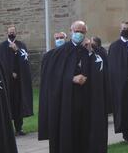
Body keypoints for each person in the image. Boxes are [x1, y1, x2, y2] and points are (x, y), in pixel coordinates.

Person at [38, 20, 108, 152]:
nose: (79, 34)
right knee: (68, 136)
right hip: (67, 103)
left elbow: (100, 73)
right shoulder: (59, 53)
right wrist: (71, 78)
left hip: (86, 102)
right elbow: (52, 78)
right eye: (77, 31)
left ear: (86, 33)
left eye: (82, 32)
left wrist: (90, 52)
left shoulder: (90, 51)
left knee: (86, 136)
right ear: (71, 31)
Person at [0, 25, 34, 135]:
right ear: (7, 33)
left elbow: (25, 61)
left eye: (13, 31)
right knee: (7, 104)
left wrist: (17, 50)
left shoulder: (21, 45)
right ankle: (8, 129)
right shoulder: (1, 47)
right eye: (10, 31)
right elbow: (0, 63)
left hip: (19, 82)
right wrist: (10, 73)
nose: (11, 33)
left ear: (16, 33)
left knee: (18, 103)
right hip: (6, 81)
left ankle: (19, 128)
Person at [107, 21, 128, 142]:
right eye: (123, 28)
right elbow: (112, 67)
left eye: (127, 28)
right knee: (124, 108)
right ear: (120, 30)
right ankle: (126, 133)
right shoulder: (114, 46)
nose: (125, 30)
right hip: (121, 84)